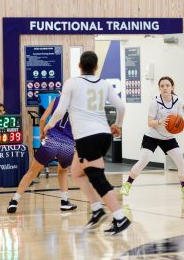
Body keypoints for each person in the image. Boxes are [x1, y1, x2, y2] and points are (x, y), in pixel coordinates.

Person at [44, 51, 130, 236]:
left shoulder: (72, 83)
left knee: (97, 178)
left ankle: (120, 217)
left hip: (87, 136)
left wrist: (49, 125)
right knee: (77, 172)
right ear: (96, 66)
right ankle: (97, 208)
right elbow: (121, 106)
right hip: (103, 134)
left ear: (79, 66)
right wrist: (118, 124)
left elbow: (60, 111)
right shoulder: (104, 83)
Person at [119, 76, 184, 199]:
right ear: (159, 88)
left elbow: (180, 121)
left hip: (168, 137)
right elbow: (149, 122)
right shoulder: (155, 102)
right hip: (152, 135)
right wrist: (161, 121)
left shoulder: (178, 101)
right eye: (162, 86)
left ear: (172, 87)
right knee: (144, 160)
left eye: (167, 85)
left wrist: (177, 127)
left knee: (180, 160)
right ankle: (127, 185)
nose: (165, 88)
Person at [7, 96, 78, 213]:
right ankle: (64, 201)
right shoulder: (79, 105)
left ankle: (14, 201)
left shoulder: (57, 99)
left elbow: (42, 119)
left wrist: (42, 134)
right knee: (63, 170)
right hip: (68, 145)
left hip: (51, 142)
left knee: (31, 172)